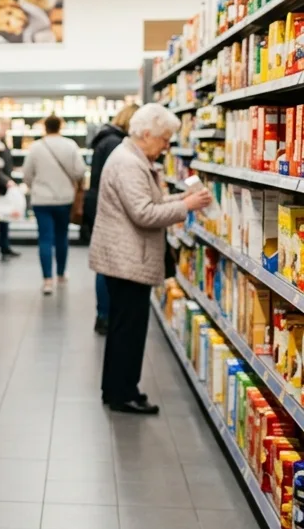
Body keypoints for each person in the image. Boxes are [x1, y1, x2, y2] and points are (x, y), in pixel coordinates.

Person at [89, 103, 211, 414]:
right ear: (146, 134)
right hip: (127, 259)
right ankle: (122, 393)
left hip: (127, 257)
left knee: (124, 327)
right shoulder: (129, 163)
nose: (166, 147)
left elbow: (151, 201)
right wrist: (187, 207)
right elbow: (144, 213)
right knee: (128, 329)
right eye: (164, 140)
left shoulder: (133, 157)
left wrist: (182, 198)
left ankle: (118, 389)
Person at [84, 103, 139, 335]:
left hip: (96, 200)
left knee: (103, 262)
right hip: (106, 204)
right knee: (107, 264)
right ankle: (106, 314)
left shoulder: (104, 139)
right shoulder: (116, 144)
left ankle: (103, 313)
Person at [22, 114, 85, 294]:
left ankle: (47, 280)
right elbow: (80, 171)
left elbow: (27, 175)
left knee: (45, 238)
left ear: (45, 127)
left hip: (41, 200)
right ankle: (61, 274)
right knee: (61, 237)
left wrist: (35, 186)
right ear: (60, 126)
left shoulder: (36, 147)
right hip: (64, 199)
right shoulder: (70, 145)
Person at [0, 120, 19, 258]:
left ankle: (5, 245)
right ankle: (2, 245)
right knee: (1, 216)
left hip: (3, 185)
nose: (5, 129)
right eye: (3, 126)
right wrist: (6, 180)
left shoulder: (2, 142)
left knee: (4, 217)